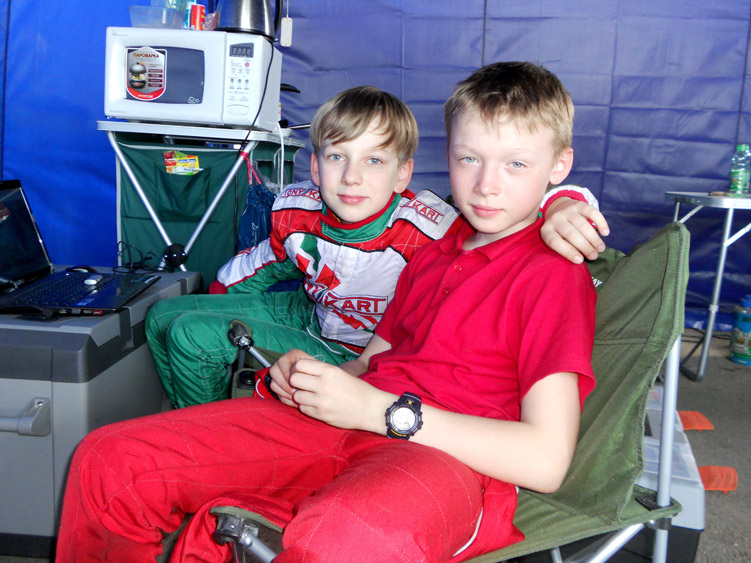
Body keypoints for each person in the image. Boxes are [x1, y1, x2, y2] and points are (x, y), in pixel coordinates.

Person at [56, 61, 598, 562]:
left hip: (442, 460)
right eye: (468, 159)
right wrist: (312, 378)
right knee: (111, 461)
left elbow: (545, 461)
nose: (486, 185)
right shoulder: (435, 253)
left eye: (516, 164)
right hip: (335, 426)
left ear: (560, 165)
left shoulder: (553, 272)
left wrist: (380, 412)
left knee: (342, 535)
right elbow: (369, 363)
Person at [146, 85, 607, 409]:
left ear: (403, 173)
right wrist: (217, 299)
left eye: (373, 161)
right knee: (164, 316)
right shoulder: (297, 208)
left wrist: (563, 201)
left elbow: (500, 217)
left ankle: (200, 432)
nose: (352, 178)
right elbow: (264, 263)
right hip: (311, 312)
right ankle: (182, 415)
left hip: (356, 349)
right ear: (315, 166)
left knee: (192, 335)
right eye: (337, 157)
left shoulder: (428, 227)